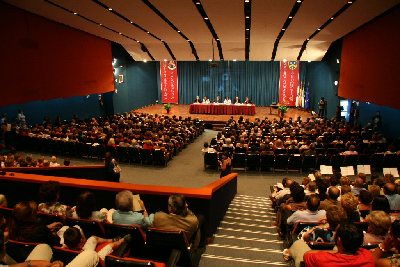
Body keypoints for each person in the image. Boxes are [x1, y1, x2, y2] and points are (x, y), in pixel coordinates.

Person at [303, 223, 375, 267]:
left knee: (298, 244)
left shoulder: (320, 259)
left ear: (339, 240)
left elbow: (306, 255)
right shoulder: (369, 257)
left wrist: (333, 252)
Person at [57, 225, 128, 266]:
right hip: (96, 260)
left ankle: (115, 240)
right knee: (107, 244)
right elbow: (95, 239)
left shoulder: (61, 249)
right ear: (81, 241)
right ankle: (120, 240)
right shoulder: (88, 248)